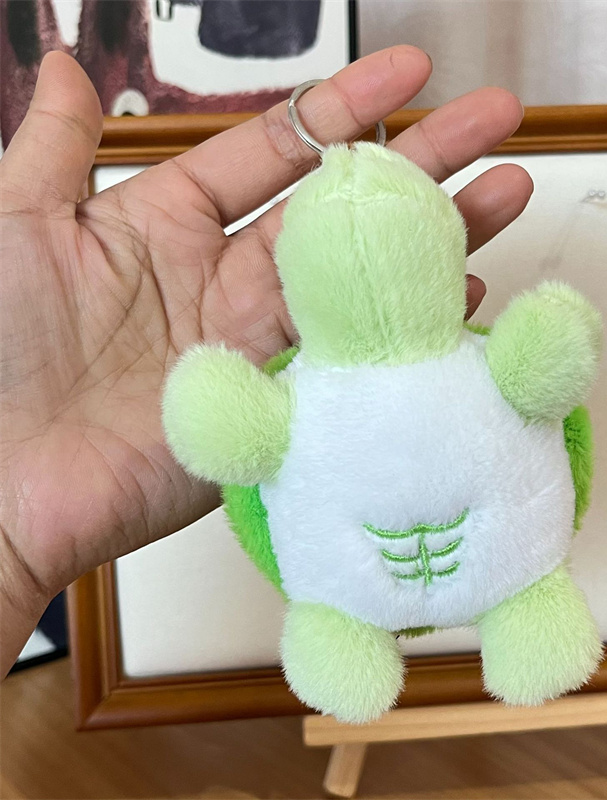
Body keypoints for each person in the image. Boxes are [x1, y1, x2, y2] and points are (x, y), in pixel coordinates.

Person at [0, 46, 533, 677]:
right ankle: (352, 632)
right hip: (374, 572)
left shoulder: (304, 382)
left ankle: (517, 613)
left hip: (487, 553)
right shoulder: (304, 382)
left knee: (523, 589)